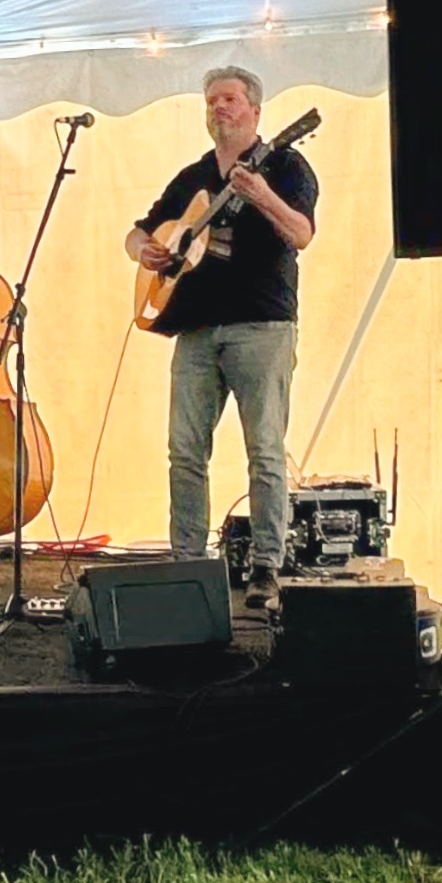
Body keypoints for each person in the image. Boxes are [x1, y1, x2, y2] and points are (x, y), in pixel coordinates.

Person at [124, 66, 317, 610]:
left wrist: (260, 195)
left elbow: (301, 233)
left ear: (256, 110)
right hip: (197, 327)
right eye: (211, 101)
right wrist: (146, 250)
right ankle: (187, 563)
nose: (219, 108)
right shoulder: (193, 176)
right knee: (184, 450)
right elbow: (139, 231)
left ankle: (265, 568)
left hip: (262, 325)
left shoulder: (286, 164)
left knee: (264, 450)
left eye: (230, 99)